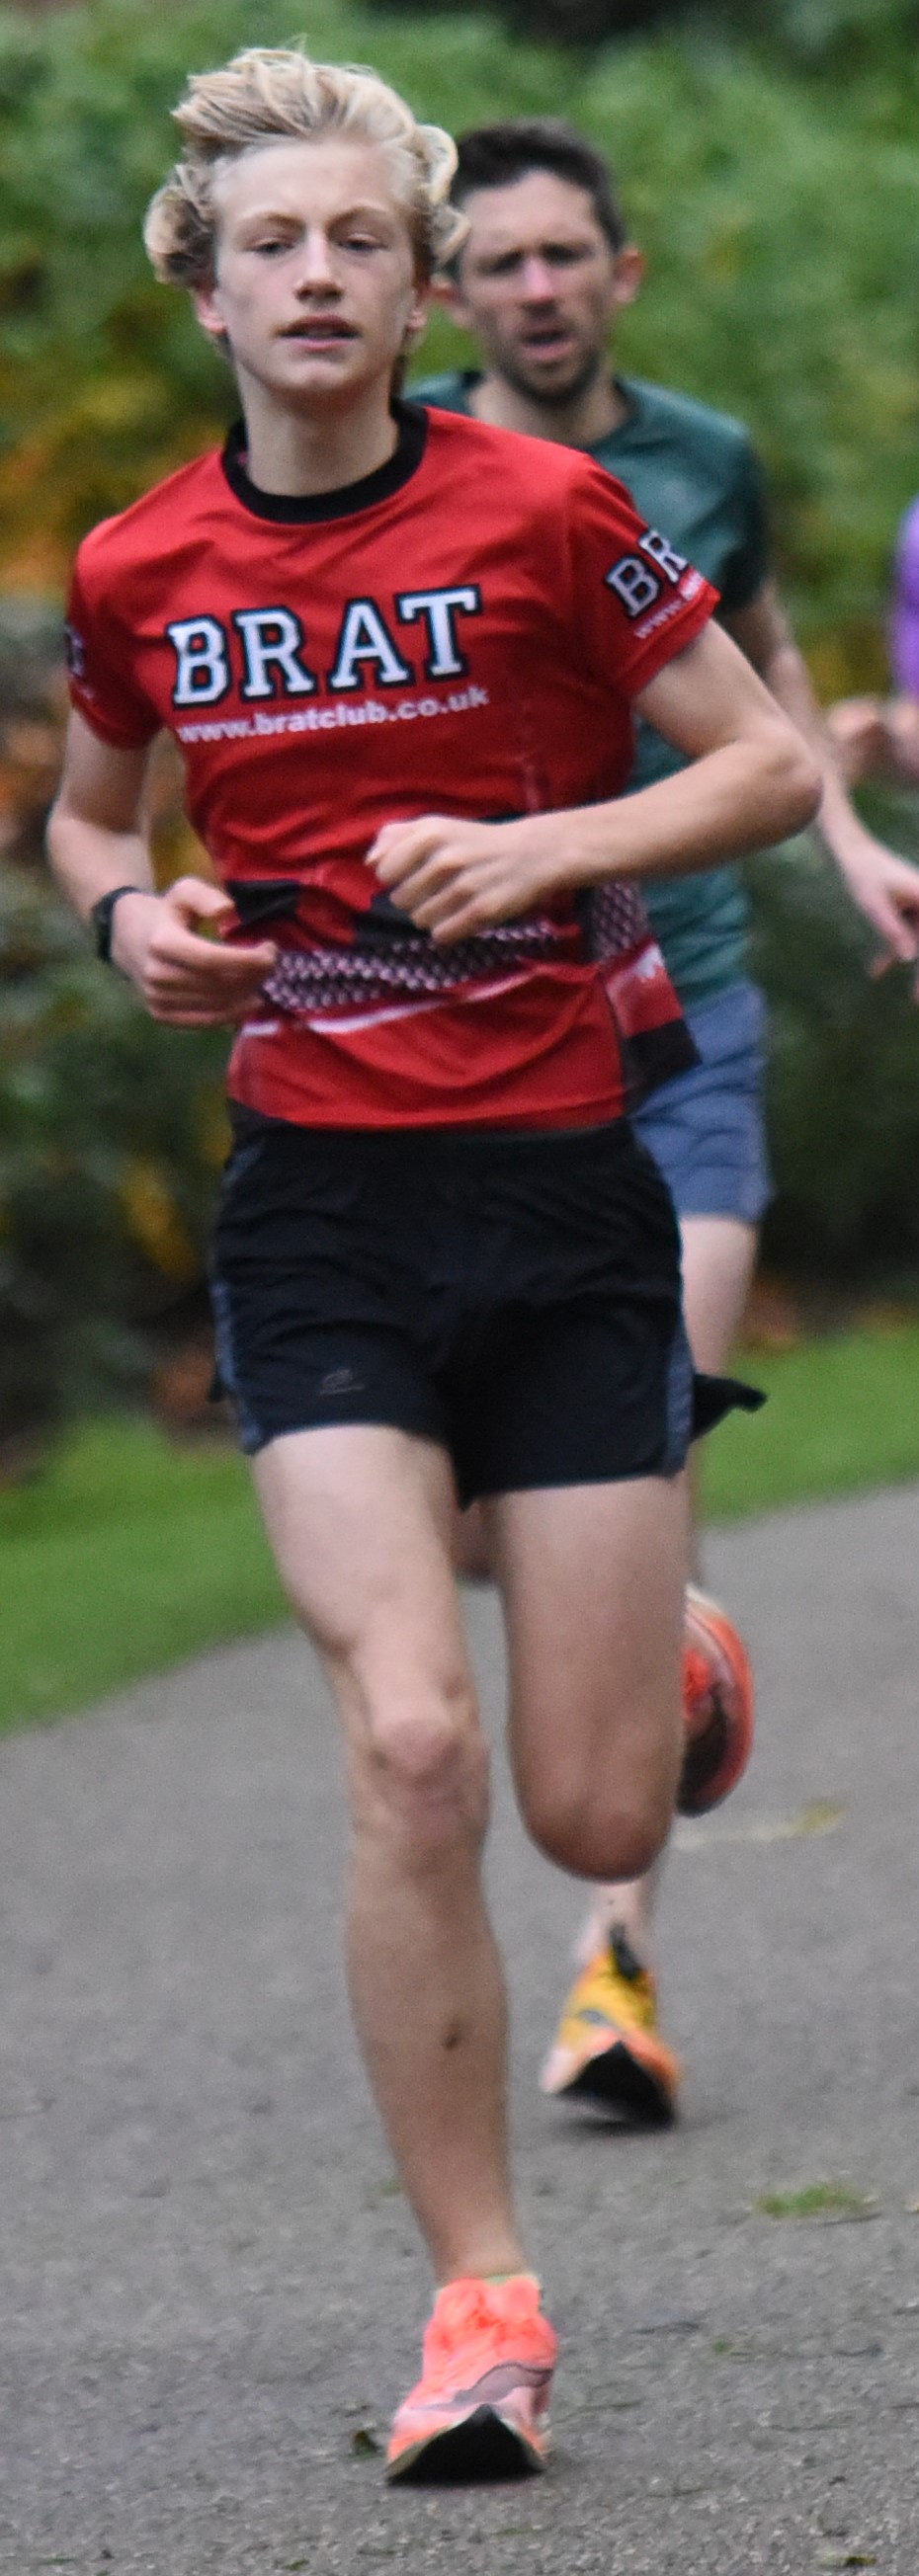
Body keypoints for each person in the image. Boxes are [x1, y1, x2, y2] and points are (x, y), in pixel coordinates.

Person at [46, 45, 819, 2482]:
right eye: (269, 243)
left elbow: (768, 764)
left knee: (590, 1816)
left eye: (359, 242)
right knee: (408, 1743)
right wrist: (129, 927)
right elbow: (92, 824)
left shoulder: (547, 507)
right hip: (321, 1213)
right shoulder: (140, 566)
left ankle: (666, 1652)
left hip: (565, 1194)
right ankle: (481, 2297)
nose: (315, 276)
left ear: (418, 291)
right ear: (208, 293)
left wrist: (558, 845)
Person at [412, 118, 919, 2124]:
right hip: (473, 1042)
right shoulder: (404, 473)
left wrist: (849, 845)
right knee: (476, 1514)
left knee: (640, 1428)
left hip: (682, 1015)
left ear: (619, 273)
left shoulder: (704, 456)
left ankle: (610, 1965)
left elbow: (759, 664)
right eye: (500, 262)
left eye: (566, 255)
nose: (537, 289)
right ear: (451, 295)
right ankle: (660, 1623)